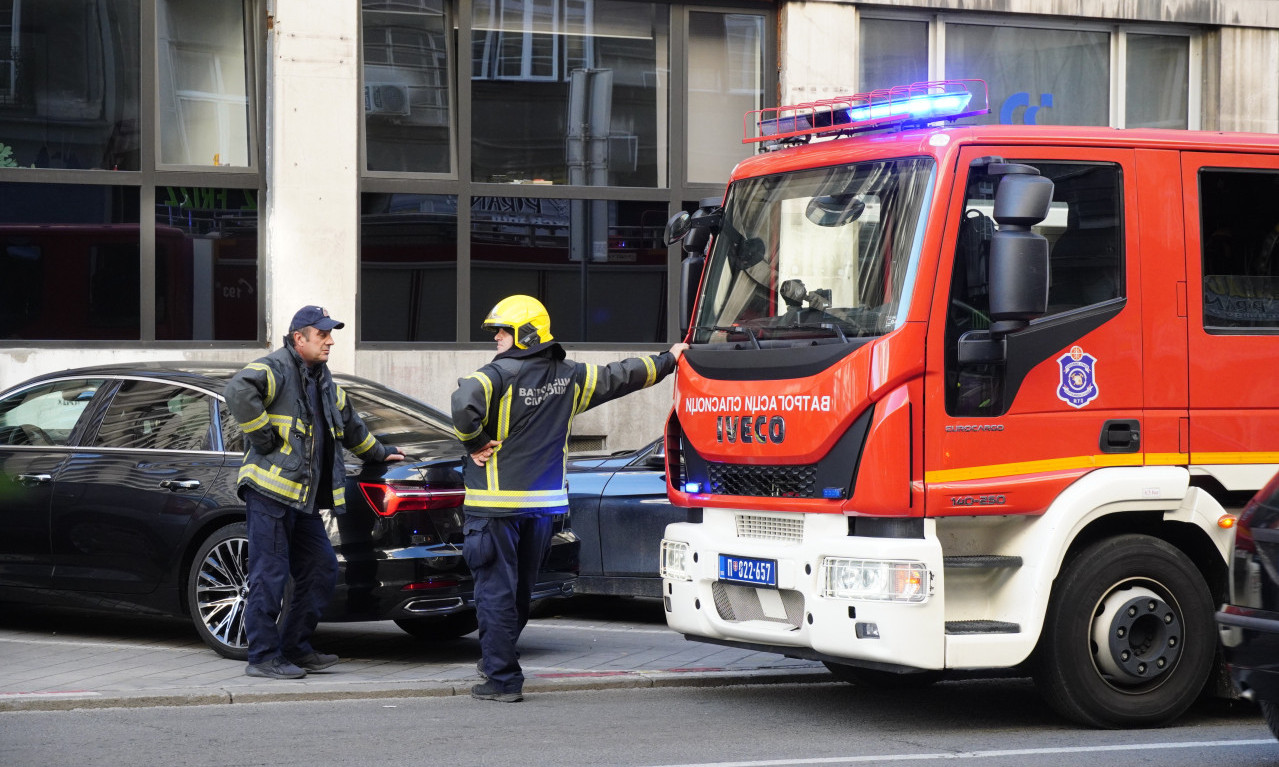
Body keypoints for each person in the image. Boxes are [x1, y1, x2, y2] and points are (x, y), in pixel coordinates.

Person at [452, 294, 688, 702]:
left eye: (502, 332)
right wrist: (668, 359)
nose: (497, 340)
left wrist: (474, 442)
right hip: (542, 509)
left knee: (494, 592)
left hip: (494, 508)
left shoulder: (495, 376)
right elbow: (623, 375)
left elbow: (463, 402)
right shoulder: (572, 376)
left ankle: (502, 678)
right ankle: (499, 656)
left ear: (524, 334)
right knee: (521, 591)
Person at [225, 305, 404, 679]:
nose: (330, 341)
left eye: (329, 334)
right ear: (298, 338)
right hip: (270, 492)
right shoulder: (276, 369)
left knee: (322, 568)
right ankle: (261, 656)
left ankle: (295, 648)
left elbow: (353, 428)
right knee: (269, 574)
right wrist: (262, 436)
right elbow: (237, 388)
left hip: (302, 498)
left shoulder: (325, 383)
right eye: (322, 334)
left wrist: (381, 453)